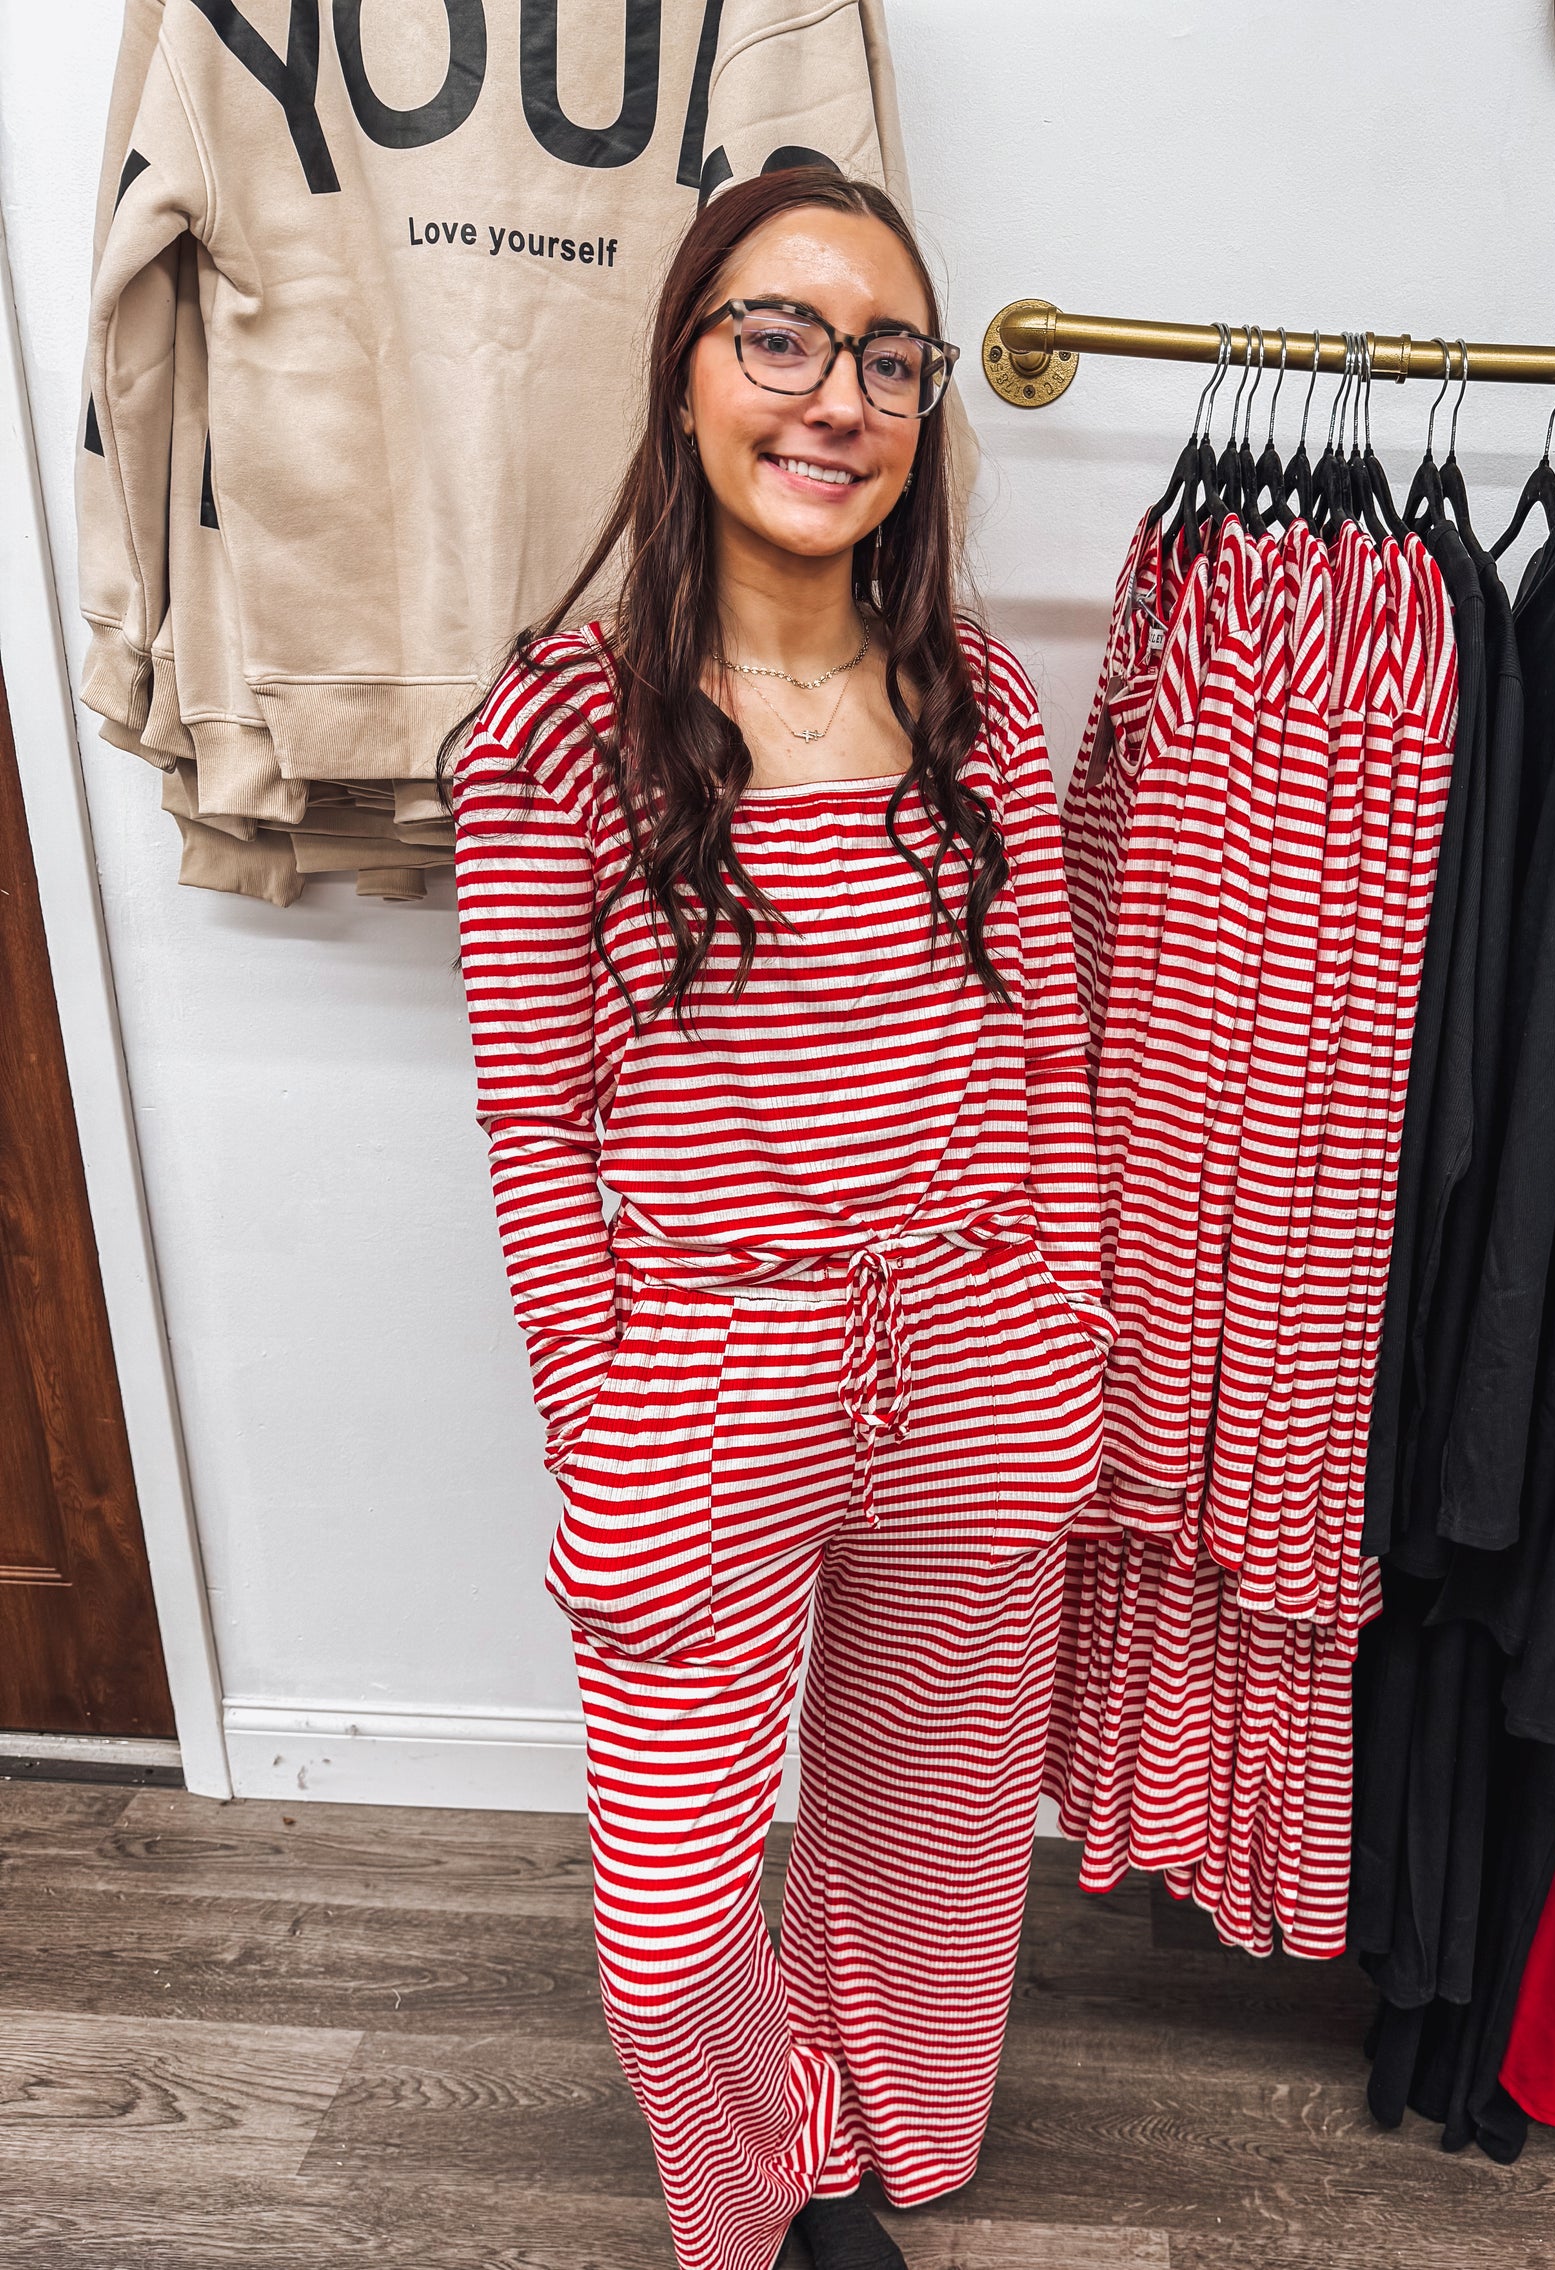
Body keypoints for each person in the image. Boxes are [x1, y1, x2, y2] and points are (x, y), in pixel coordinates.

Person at [448, 170, 1113, 2270]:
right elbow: (535, 1120)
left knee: (932, 1820)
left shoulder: (980, 700)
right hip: (710, 1371)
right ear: (686, 371)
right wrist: (597, 1394)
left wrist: (1069, 1320)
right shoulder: (555, 728)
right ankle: (784, 2168)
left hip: (983, 1346)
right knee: (669, 1912)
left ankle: (893, 2136)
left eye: (887, 358)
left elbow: (1049, 1044)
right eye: (782, 336)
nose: (838, 396)